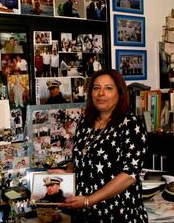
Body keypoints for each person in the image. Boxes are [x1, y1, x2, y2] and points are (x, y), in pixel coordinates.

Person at [50, 69, 148, 222]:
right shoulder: (85, 122)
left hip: (117, 214)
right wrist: (66, 173)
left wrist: (89, 200)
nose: (101, 93)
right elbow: (80, 160)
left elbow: (130, 175)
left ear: (120, 93)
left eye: (108, 88)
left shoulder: (130, 124)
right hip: (84, 213)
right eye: (96, 88)